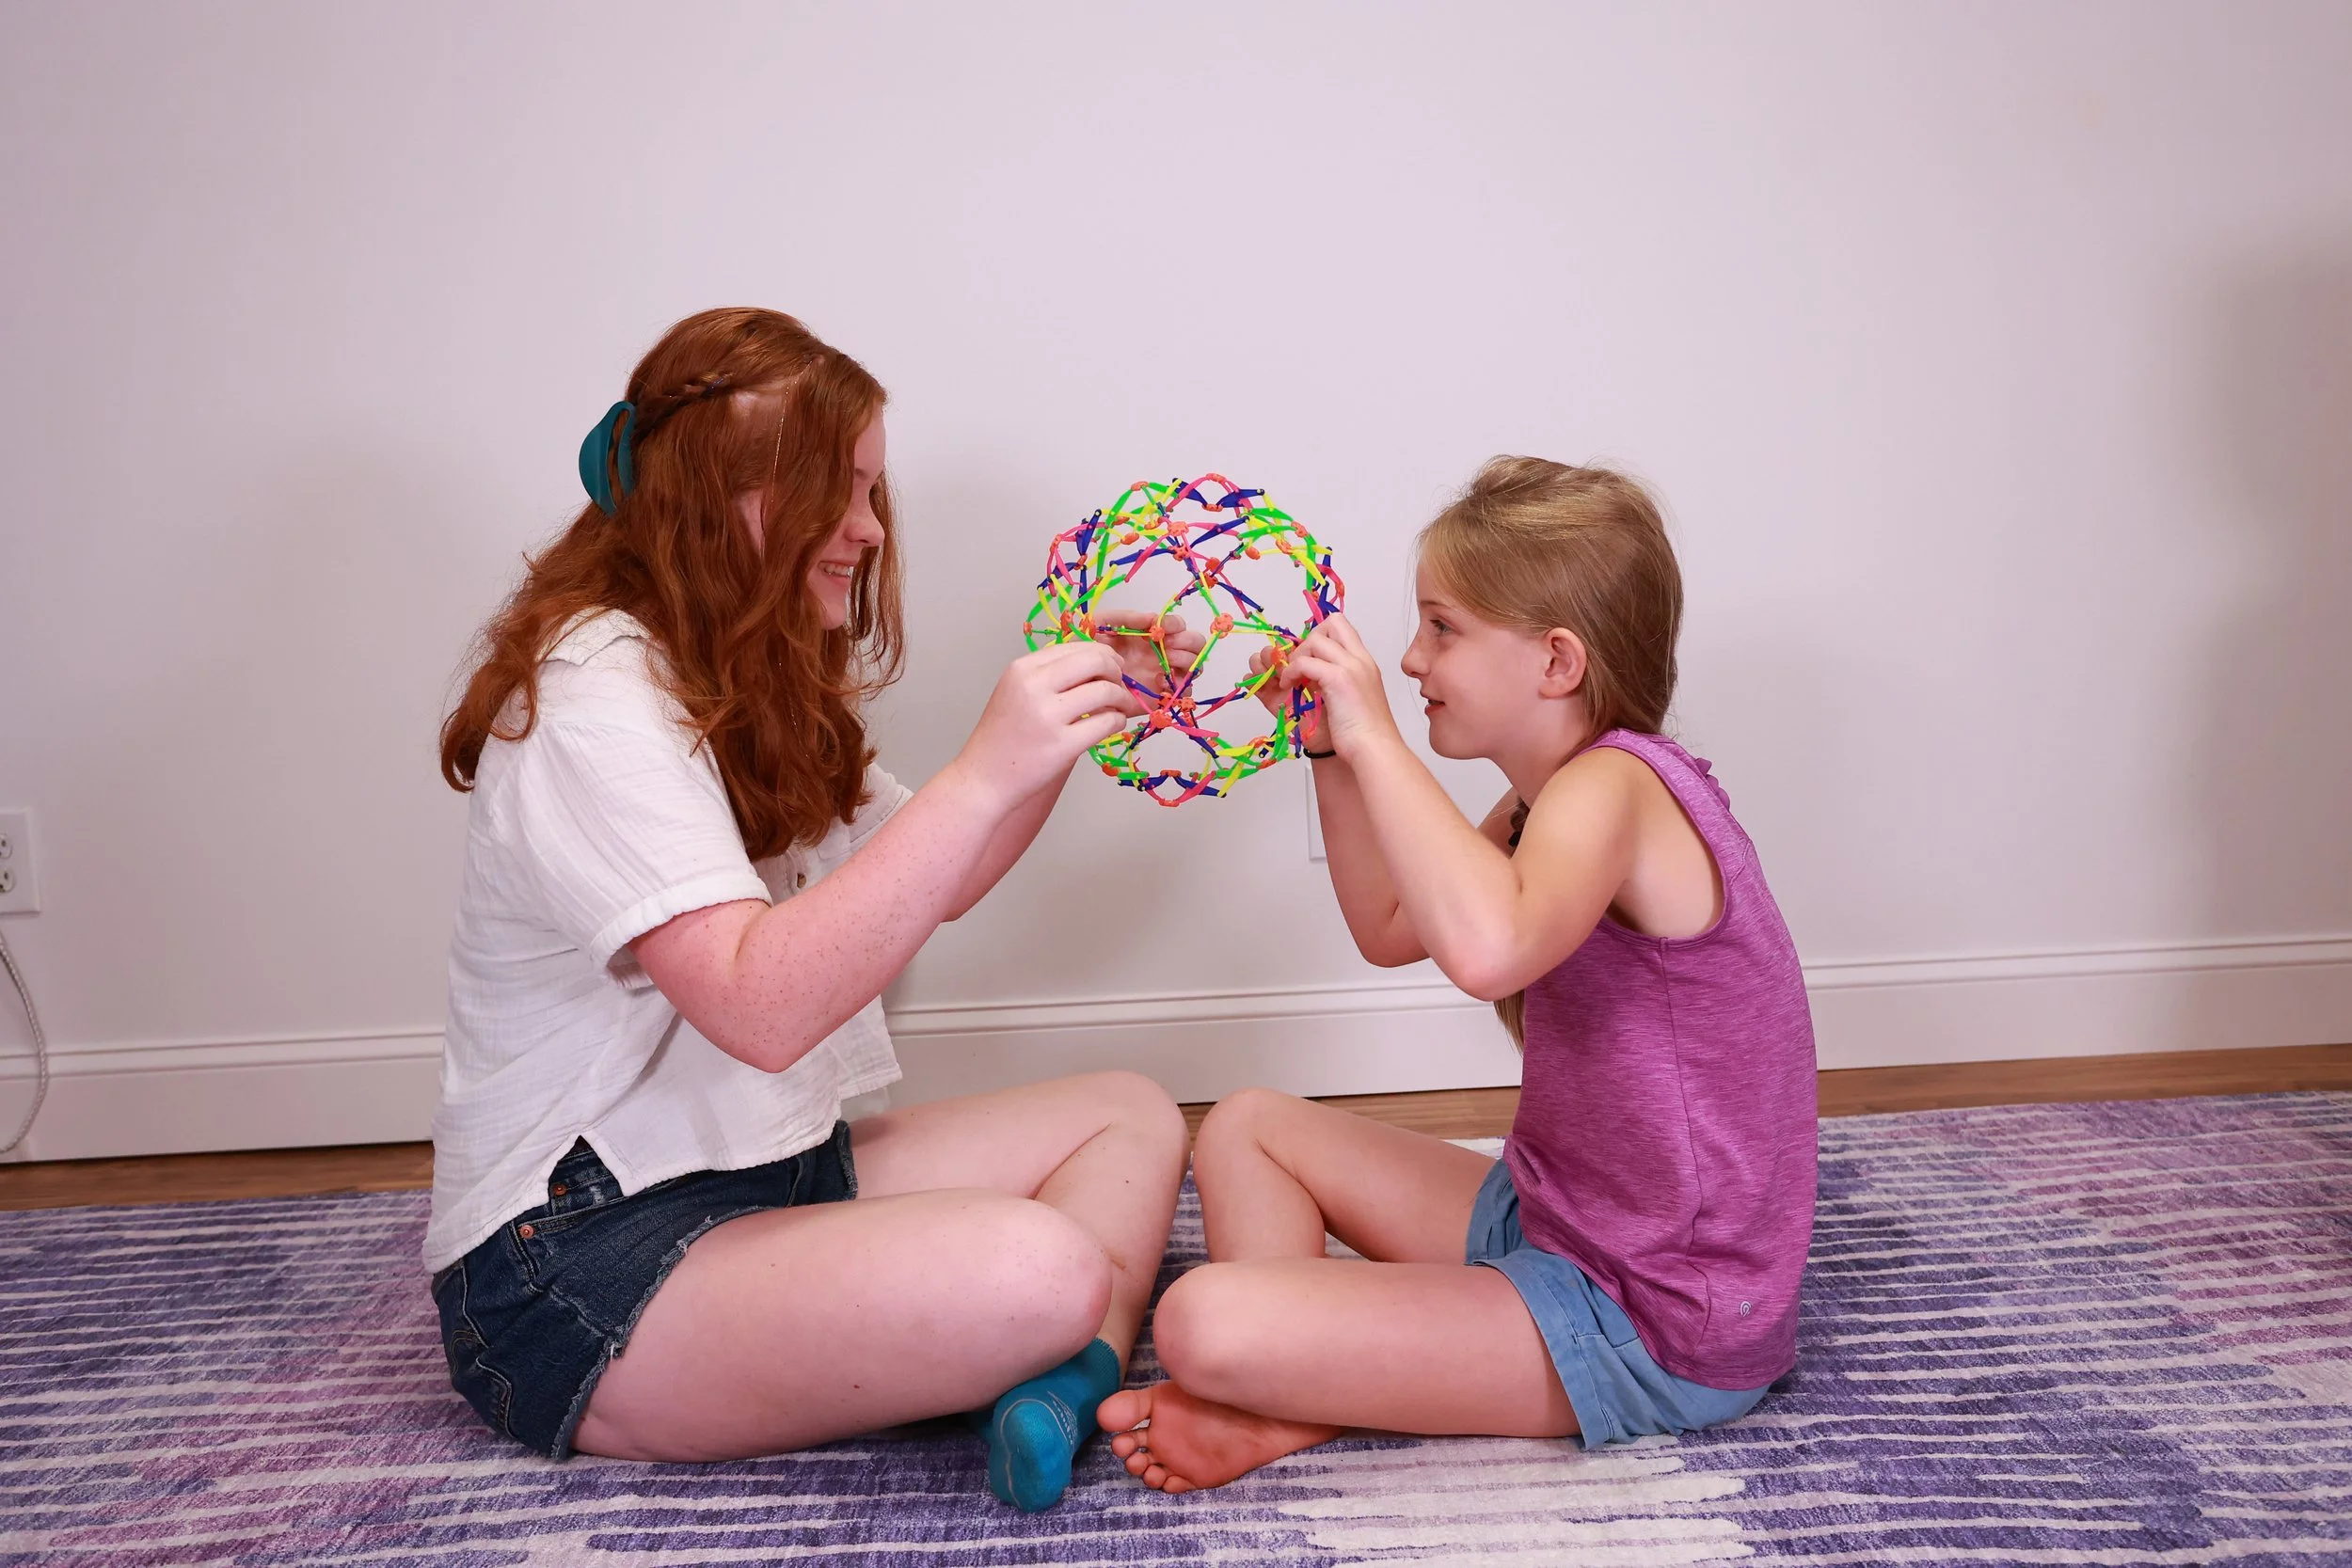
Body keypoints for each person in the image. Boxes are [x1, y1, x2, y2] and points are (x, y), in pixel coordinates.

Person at [427, 307, 1195, 1512]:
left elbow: (938, 873)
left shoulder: (739, 667)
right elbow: (761, 1002)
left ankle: (1059, 1384)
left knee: (1133, 1114)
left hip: (767, 1169)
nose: (868, 531)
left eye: (873, 493)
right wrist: (983, 767)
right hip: (572, 1267)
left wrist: (1065, 725)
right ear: (718, 494)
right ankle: (1052, 1338)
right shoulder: (590, 694)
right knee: (1041, 1267)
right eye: (839, 493)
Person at [1099, 458, 1818, 1491]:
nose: (1409, 655)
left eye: (1443, 627)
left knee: (1200, 1319)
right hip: (1559, 1222)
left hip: (1655, 1318)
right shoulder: (1545, 801)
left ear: (1556, 661)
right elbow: (1390, 926)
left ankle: (1283, 1389)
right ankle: (1306, 1379)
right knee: (1248, 1121)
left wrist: (1375, 729)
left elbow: (1488, 950)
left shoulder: (1618, 786)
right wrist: (1331, 754)